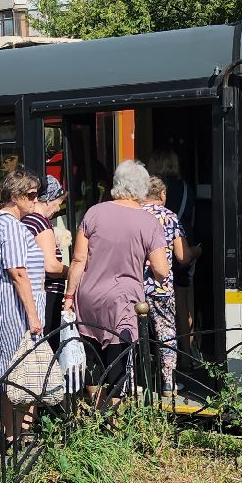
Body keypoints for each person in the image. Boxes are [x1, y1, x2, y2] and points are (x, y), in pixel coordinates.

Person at [64, 159, 171, 395]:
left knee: (93, 360)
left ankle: (95, 415)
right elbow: (162, 271)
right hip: (122, 302)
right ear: (142, 188)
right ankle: (111, 422)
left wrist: (69, 297)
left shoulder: (93, 212)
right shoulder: (149, 222)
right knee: (117, 364)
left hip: (88, 298)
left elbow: (78, 261)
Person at [0, 169, 48, 433]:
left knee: (13, 375)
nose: (36, 200)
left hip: (8, 311)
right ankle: (15, 435)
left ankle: (15, 433)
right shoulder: (9, 225)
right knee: (16, 375)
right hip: (15, 314)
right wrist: (33, 315)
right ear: (15, 195)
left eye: (37, 195)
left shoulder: (0, 223)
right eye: (31, 195)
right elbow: (18, 272)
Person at [142, 176, 190, 393]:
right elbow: (183, 256)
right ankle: (168, 382)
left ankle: (136, 383)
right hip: (160, 286)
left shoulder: (133, 214)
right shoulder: (169, 217)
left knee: (134, 333)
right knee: (166, 332)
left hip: (134, 286)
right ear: (162, 195)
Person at [20, 175, 69, 343]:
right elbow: (51, 267)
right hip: (48, 296)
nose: (58, 208)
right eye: (58, 202)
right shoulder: (40, 222)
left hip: (36, 293)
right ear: (48, 200)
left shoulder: (25, 220)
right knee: (48, 345)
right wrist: (72, 272)